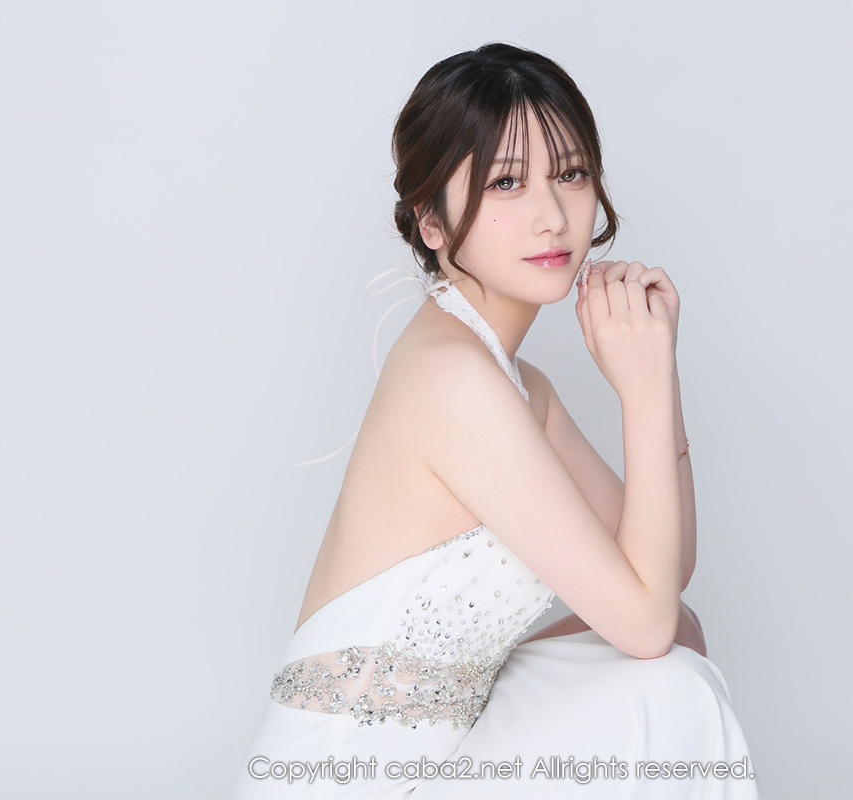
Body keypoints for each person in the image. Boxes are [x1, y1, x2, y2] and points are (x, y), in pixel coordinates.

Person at [232, 42, 761, 799]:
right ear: (432, 222)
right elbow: (644, 624)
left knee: (680, 639)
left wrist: (658, 374)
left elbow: (663, 580)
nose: (552, 216)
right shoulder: (453, 382)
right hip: (348, 779)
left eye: (571, 174)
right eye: (506, 182)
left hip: (436, 744)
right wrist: (639, 393)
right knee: (671, 682)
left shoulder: (515, 383)